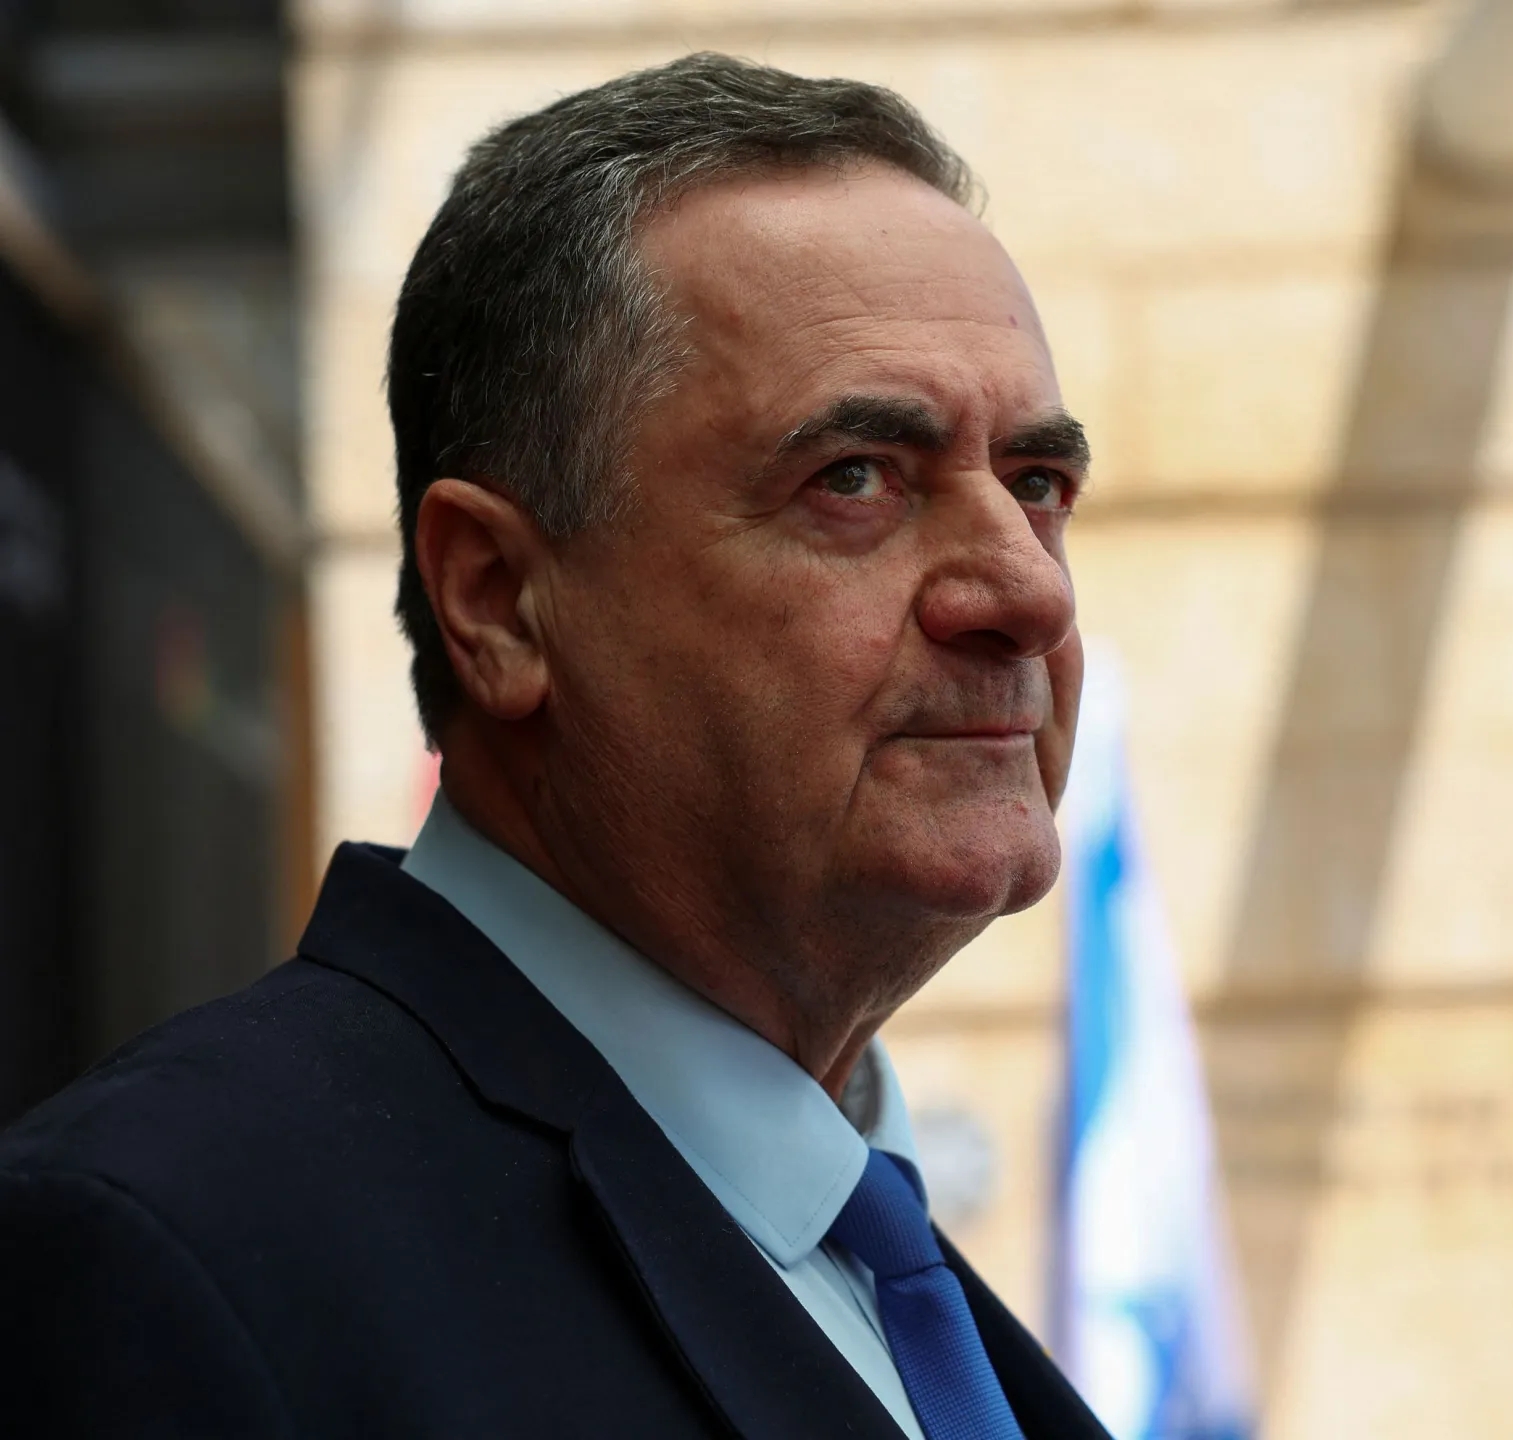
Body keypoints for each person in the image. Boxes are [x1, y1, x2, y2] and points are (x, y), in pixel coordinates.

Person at [0, 54, 1108, 1439]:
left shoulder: (878, 1262)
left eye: (1036, 483)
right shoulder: (159, 1261)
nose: (1028, 592)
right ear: (498, 600)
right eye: (855, 479)